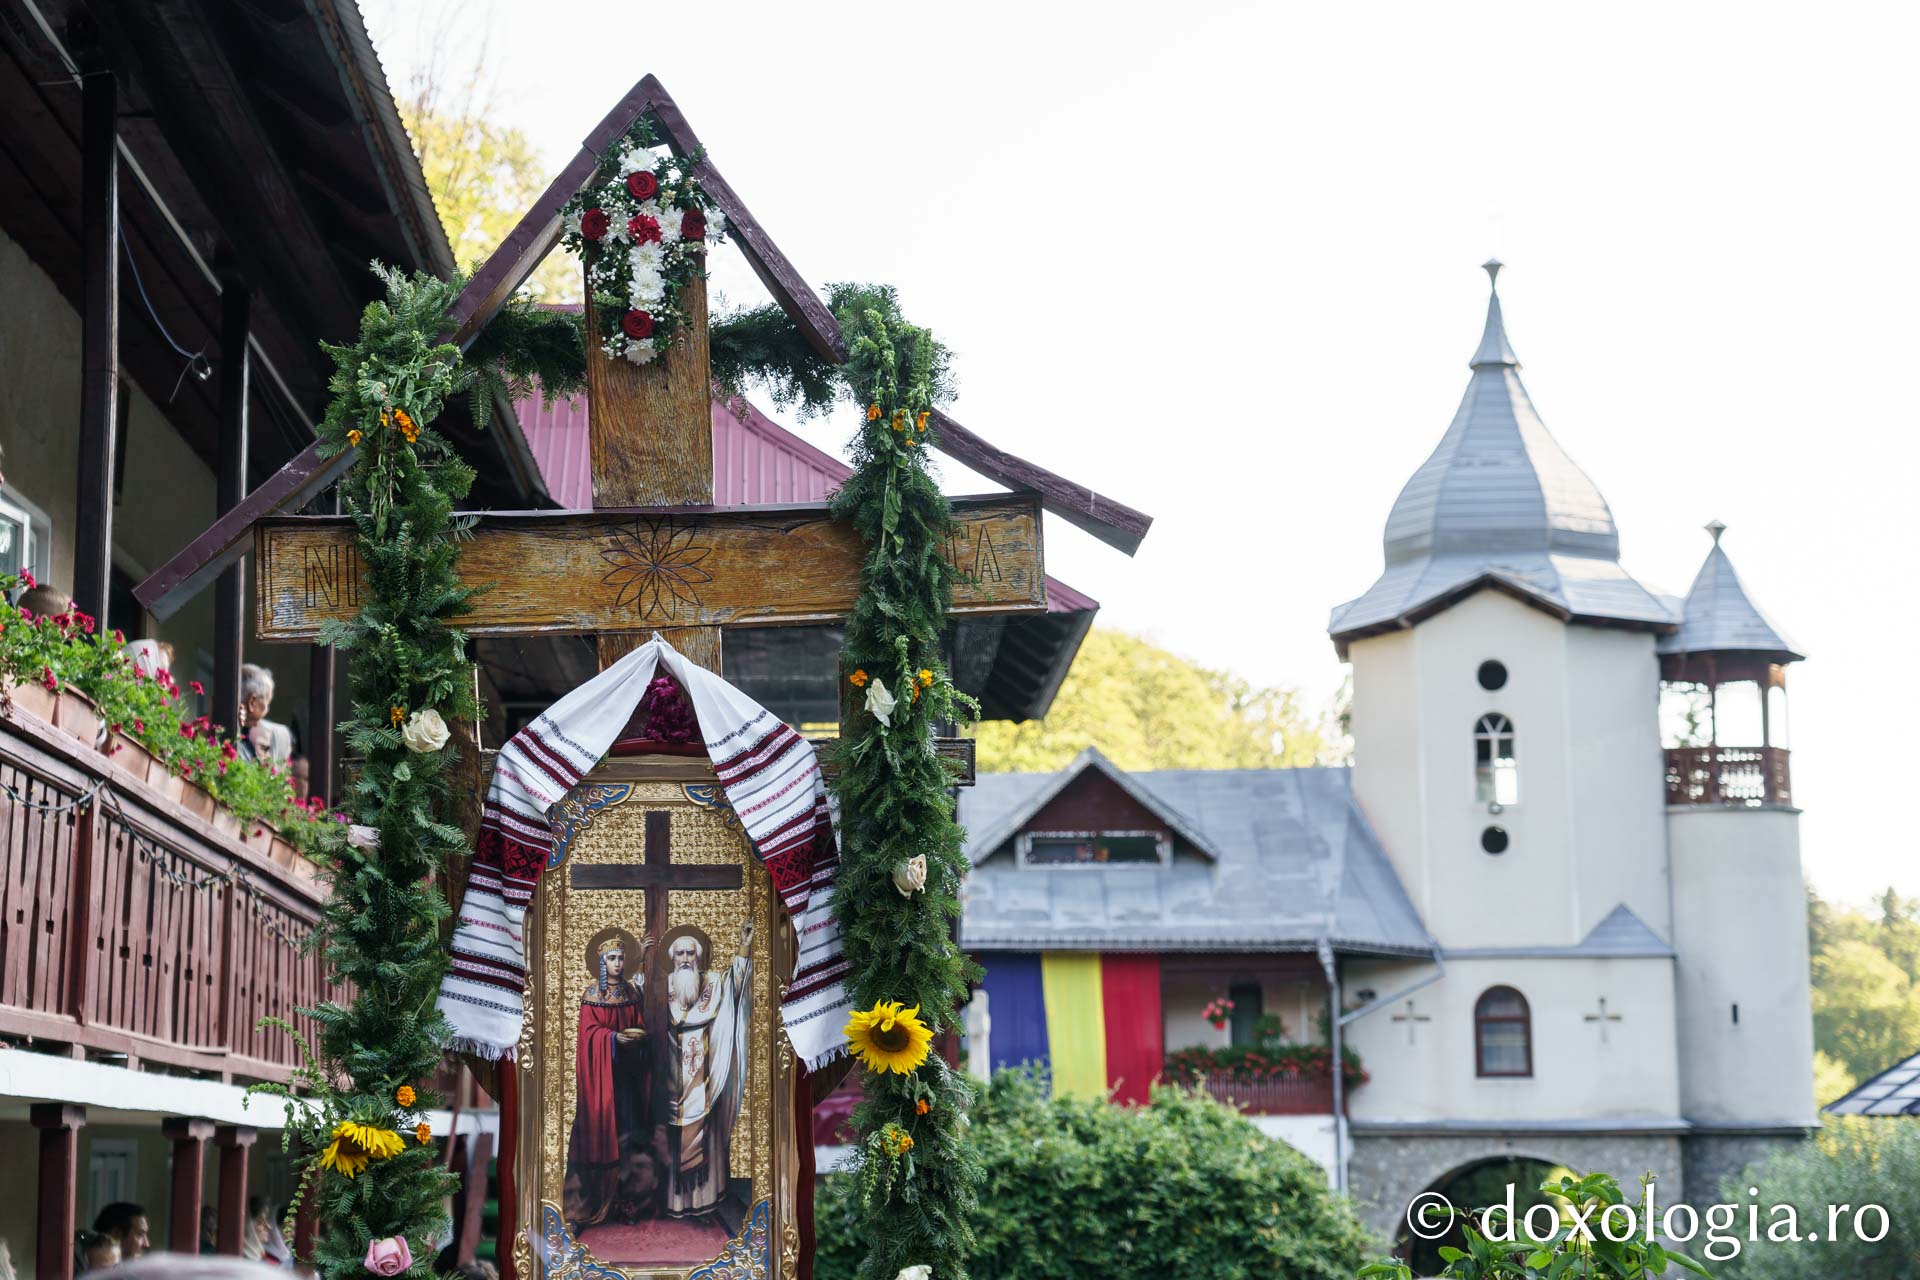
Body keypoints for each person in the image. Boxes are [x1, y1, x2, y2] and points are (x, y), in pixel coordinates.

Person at [652, 921, 753, 1218]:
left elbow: (737, 985)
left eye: (690, 954)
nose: (685, 959)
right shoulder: (661, 986)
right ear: (672, 958)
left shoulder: (712, 981)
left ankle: (705, 1200)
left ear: (699, 957)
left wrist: (744, 948)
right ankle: (672, 1201)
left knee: (707, 1131)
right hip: (671, 1072)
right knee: (669, 1134)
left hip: (705, 1074)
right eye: (680, 954)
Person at [565, 931, 649, 1230]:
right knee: (599, 1135)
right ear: (601, 962)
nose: (618, 963)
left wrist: (637, 1037)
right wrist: (613, 1038)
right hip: (600, 1082)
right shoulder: (592, 995)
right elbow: (587, 1036)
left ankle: (625, 1201)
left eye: (621, 957)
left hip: (625, 1080)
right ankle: (589, 1202)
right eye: (612, 958)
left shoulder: (630, 993)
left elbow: (639, 1024)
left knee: (626, 1136)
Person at [238, 663, 292, 764]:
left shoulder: (243, 736)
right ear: (252, 701)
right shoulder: (232, 735)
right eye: (267, 703)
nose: (267, 710)